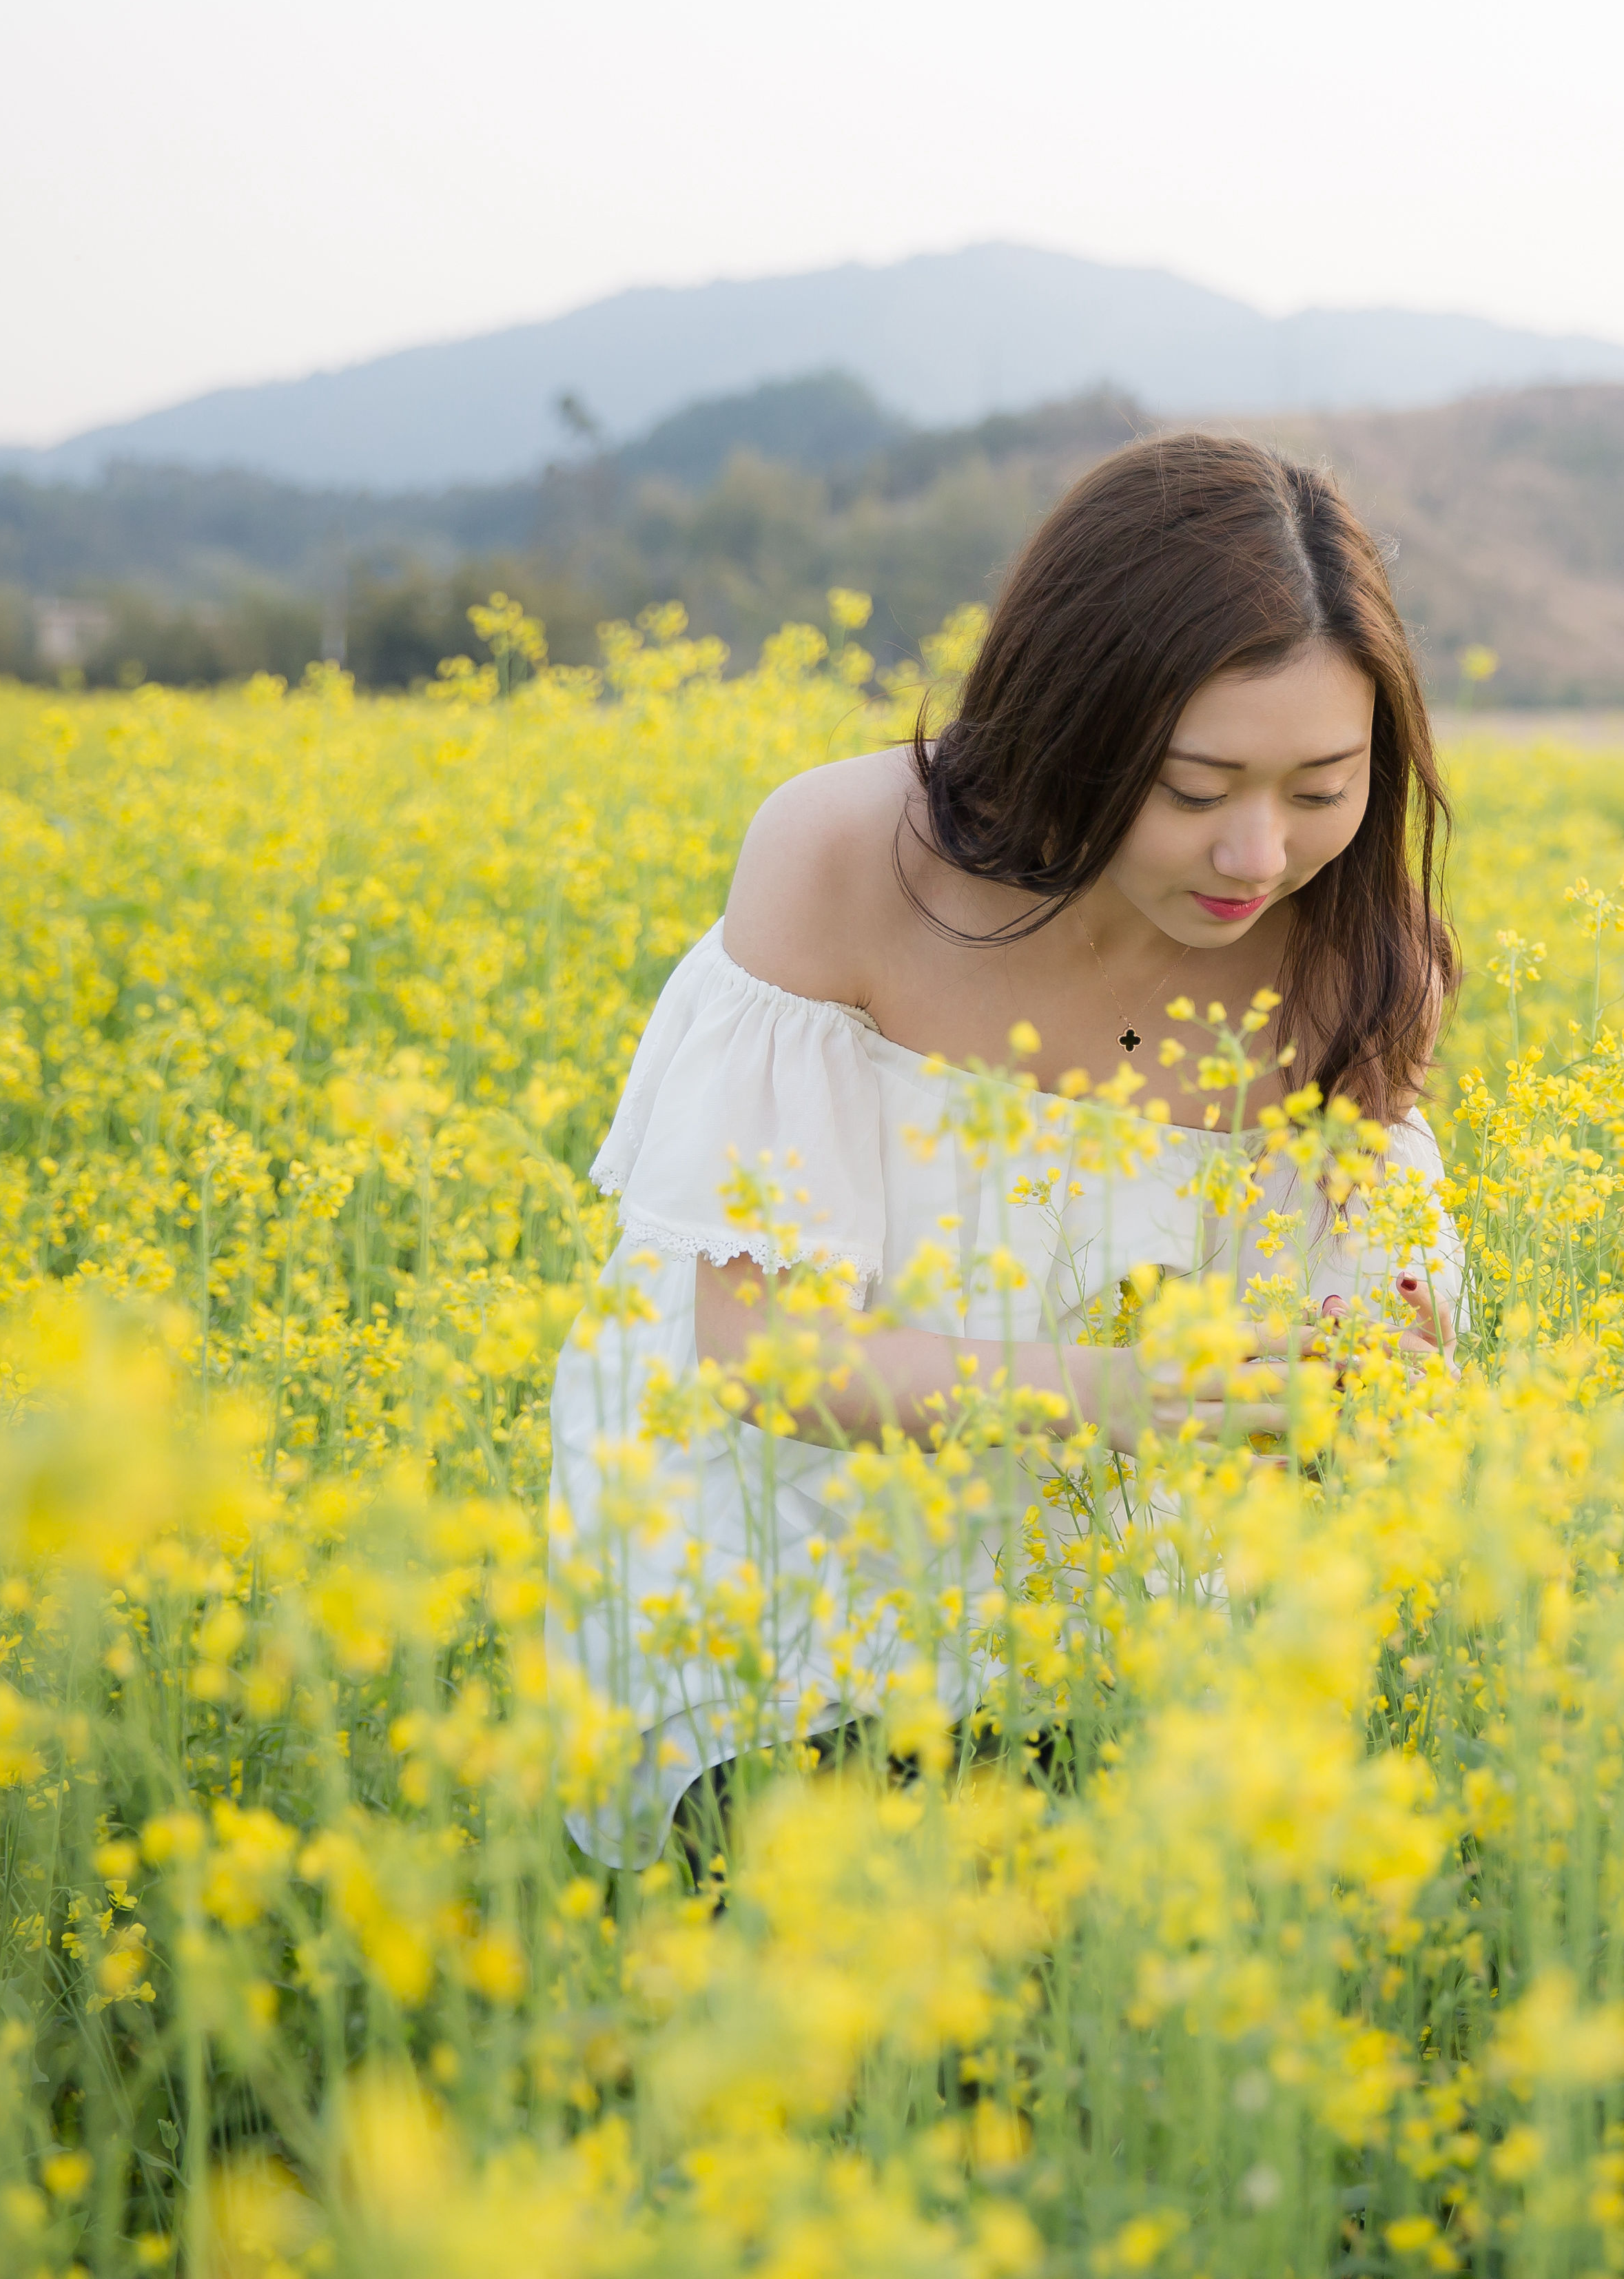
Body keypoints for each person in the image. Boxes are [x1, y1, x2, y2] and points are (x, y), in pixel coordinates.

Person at [548, 433, 1461, 1871]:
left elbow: (1375, 1324)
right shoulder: (842, 857)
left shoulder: (1342, 945)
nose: (1257, 858)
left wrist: (1358, 1370)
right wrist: (1126, 1393)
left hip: (1123, 1588)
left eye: (1320, 789)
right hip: (788, 1574)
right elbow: (758, 1349)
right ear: (1071, 726)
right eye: (1194, 787)